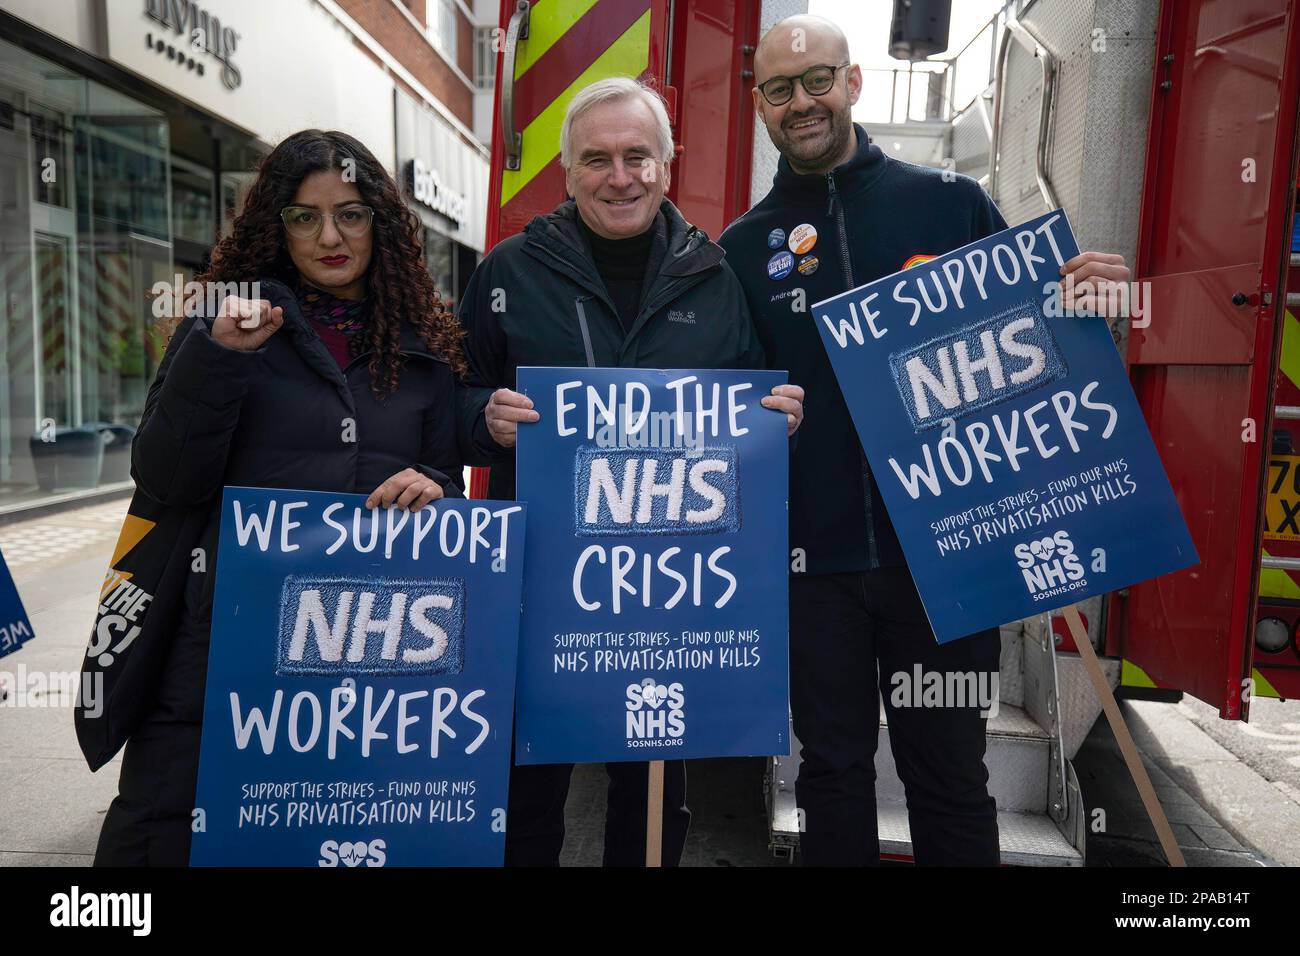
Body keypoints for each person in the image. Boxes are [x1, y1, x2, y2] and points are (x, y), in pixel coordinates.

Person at [718, 15, 1132, 866]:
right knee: (829, 774)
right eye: (780, 88)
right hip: (812, 572)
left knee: (948, 772)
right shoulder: (738, 250)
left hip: (946, 566)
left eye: (818, 80)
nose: (803, 101)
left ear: (853, 82)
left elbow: (1037, 358)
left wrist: (1088, 311)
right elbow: (723, 402)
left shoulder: (951, 204)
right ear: (758, 103)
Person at [94, 129, 469, 865]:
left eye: (351, 214)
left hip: (368, 648)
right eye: (305, 216)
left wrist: (438, 487)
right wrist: (216, 359)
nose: (330, 236)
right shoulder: (224, 320)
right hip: (222, 642)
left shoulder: (427, 345)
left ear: (380, 223)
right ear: (278, 225)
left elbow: (441, 478)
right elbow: (166, 480)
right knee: (163, 838)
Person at [456, 76, 804, 866]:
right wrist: (482, 418)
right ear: (568, 173)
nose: (621, 176)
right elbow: (445, 400)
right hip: (541, 583)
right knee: (528, 787)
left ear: (668, 163)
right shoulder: (507, 272)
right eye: (598, 159)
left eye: (638, 156)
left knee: (651, 796)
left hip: (669, 598)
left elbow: (752, 420)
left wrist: (778, 421)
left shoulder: (716, 279)